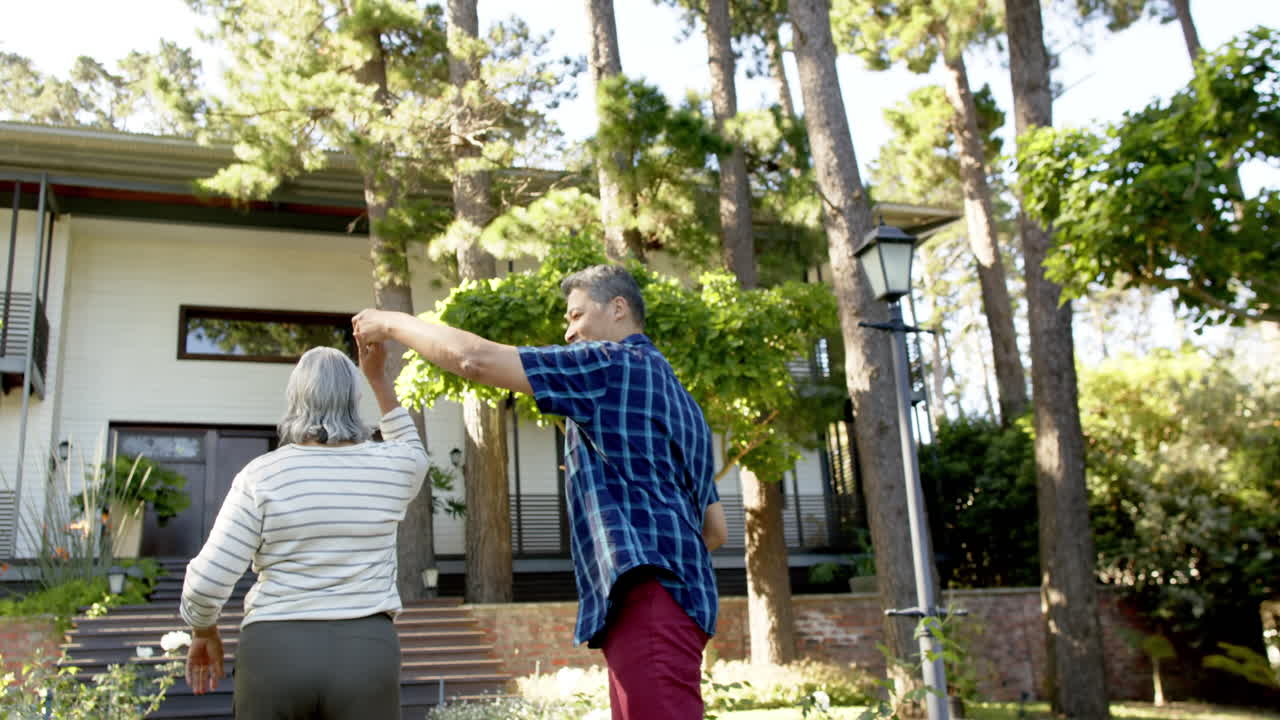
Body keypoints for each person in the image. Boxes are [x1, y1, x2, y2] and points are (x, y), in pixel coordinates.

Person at [353, 264, 727, 720]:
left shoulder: (610, 365)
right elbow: (715, 530)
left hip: (647, 601)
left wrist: (390, 322)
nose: (568, 332)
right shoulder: (683, 401)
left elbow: (474, 359)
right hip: (680, 602)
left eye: (576, 315)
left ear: (618, 308)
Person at [180, 344, 428, 720]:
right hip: (366, 654)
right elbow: (412, 445)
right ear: (355, 400)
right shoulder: (394, 466)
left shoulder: (261, 476)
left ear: (294, 399)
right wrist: (377, 377)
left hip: (274, 654)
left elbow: (206, 583)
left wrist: (204, 631)